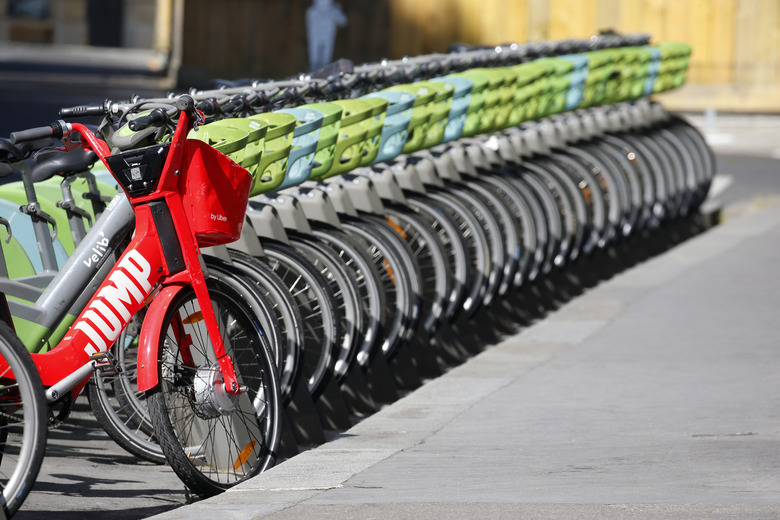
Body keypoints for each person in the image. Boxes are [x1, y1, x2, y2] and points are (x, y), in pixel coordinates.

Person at [306, 0, 347, 71]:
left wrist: (338, 12)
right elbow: (310, 21)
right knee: (314, 61)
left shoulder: (334, 12)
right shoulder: (312, 12)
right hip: (316, 38)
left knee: (326, 61)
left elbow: (343, 22)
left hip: (328, 39)